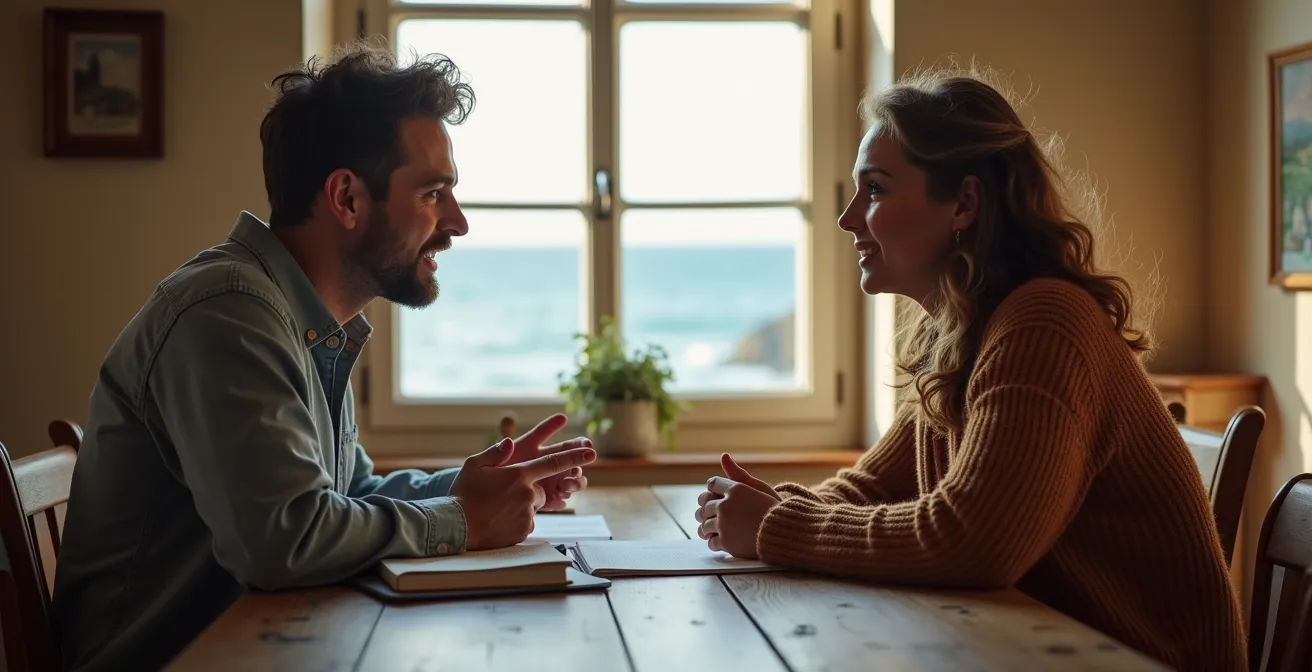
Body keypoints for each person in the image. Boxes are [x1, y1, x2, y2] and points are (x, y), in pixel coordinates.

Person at [51, 42, 596, 672]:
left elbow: (348, 490)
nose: (458, 222)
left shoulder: (298, 318)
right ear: (346, 198)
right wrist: (464, 520)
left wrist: (478, 489)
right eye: (433, 193)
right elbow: (284, 542)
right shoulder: (228, 314)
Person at [693, 68, 1247, 671]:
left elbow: (974, 541)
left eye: (874, 190)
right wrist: (768, 507)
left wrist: (777, 527)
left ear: (963, 203)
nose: (848, 218)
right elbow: (875, 487)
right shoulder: (960, 332)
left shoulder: (1043, 323)